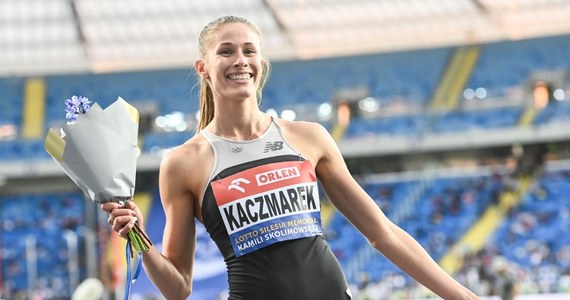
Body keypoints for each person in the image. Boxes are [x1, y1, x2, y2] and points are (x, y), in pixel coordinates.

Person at [102, 15, 480, 300]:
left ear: (261, 63)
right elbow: (179, 288)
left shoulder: (308, 137)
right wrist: (137, 236)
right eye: (226, 51)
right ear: (202, 68)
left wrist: (463, 297)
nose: (240, 60)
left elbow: (383, 235)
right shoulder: (183, 162)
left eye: (250, 50)